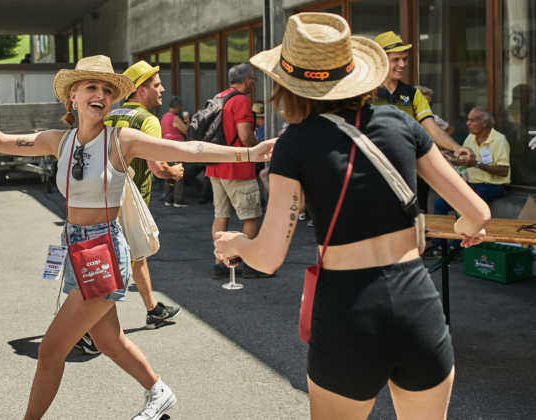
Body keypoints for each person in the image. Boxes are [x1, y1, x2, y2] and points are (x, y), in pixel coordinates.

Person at [0, 54, 273, 420]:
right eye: (91, 87)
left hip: (104, 251)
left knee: (51, 350)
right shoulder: (59, 141)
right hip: (75, 247)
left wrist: (249, 152)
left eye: (106, 89)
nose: (100, 94)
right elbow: (2, 141)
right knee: (107, 339)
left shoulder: (121, 139)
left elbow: (190, 149)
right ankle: (159, 391)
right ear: (72, 96)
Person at [214, 13, 490, 420]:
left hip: (348, 308)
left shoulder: (295, 143)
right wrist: (467, 228)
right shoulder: (402, 123)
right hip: (417, 302)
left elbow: (269, 257)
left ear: (289, 87)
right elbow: (478, 212)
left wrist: (235, 243)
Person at [103, 60, 184, 331]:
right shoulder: (147, 120)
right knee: (118, 261)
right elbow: (157, 167)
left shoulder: (110, 116)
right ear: (141, 90)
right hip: (131, 203)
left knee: (133, 256)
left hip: (105, 198)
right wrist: (173, 172)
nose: (162, 90)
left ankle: (153, 310)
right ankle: (92, 327)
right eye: (157, 85)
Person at [372, 31, 473, 213]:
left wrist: (456, 147)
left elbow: (432, 129)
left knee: (415, 217)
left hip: (410, 170)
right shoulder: (365, 93)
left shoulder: (413, 94)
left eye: (405, 59)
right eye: (396, 60)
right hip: (375, 169)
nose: (402, 64)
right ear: (380, 60)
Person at [206, 62, 272, 279]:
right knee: (251, 216)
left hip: (216, 165)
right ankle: (249, 264)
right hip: (238, 167)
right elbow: (245, 135)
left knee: (220, 216)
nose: (253, 83)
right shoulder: (241, 100)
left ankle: (221, 263)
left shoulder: (219, 97)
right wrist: (258, 150)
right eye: (252, 79)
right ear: (246, 80)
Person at [434, 107, 510, 215]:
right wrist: (449, 157)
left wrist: (477, 164)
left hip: (492, 186)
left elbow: (504, 171)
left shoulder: (499, 140)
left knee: (465, 206)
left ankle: (463, 226)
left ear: (484, 123)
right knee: (439, 204)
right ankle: (442, 227)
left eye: (472, 120)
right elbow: (464, 161)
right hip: (472, 184)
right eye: (468, 120)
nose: (468, 123)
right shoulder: (470, 138)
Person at [160, 96, 189, 207]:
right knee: (178, 172)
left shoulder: (164, 117)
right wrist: (187, 120)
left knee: (169, 173)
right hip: (176, 148)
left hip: (166, 147)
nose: (180, 109)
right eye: (180, 107)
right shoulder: (175, 118)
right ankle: (178, 200)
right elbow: (186, 131)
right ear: (177, 106)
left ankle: (168, 199)